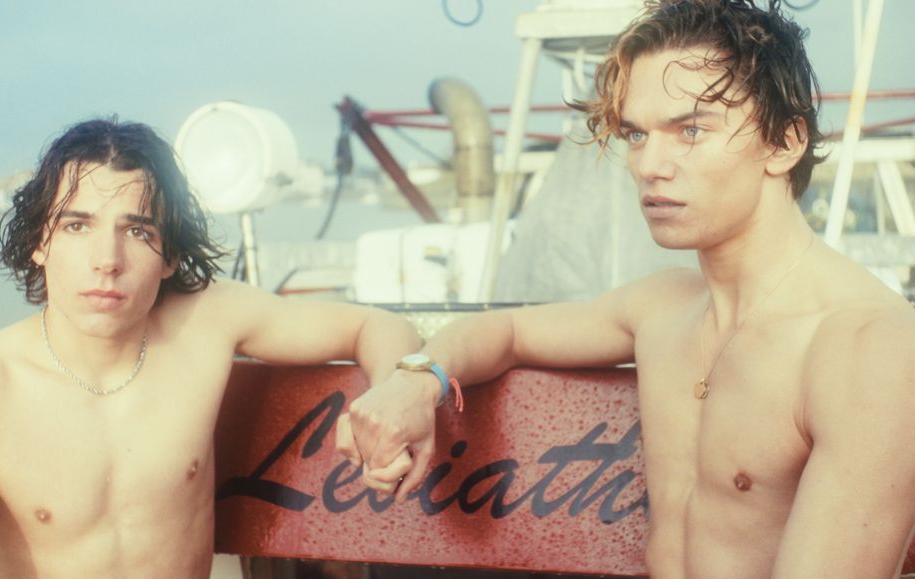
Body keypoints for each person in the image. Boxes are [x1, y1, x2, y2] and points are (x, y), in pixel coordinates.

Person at [337, 1, 915, 577]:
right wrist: (416, 383)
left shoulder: (867, 349)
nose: (649, 166)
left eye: (690, 130)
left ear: (784, 143)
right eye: (637, 134)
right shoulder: (662, 307)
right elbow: (507, 330)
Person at [0, 118, 421, 578]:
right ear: (40, 242)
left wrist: (395, 395)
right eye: (77, 225)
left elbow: (377, 327)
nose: (107, 260)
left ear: (169, 256)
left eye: (137, 231)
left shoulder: (209, 321)